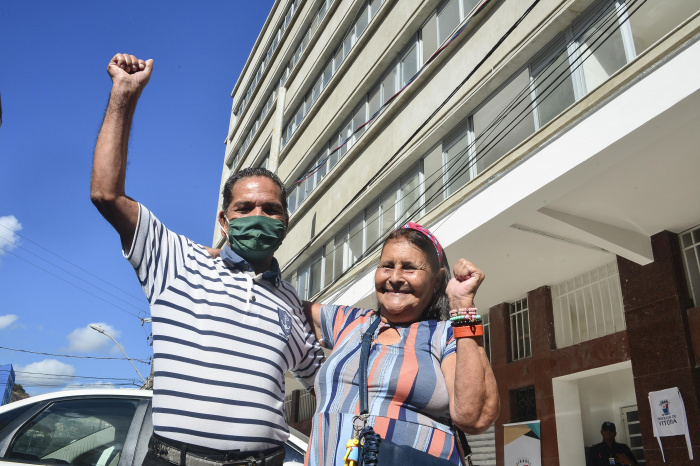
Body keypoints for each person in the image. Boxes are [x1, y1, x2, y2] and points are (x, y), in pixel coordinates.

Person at [91, 53, 325, 466]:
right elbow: (107, 195)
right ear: (223, 220)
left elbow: (326, 384)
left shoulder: (291, 303)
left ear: (286, 222)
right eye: (245, 208)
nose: (258, 217)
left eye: (271, 210)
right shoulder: (176, 261)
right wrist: (123, 96)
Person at [303, 223, 500, 465]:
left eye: (409, 268)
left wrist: (462, 305)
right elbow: (283, 305)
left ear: (437, 281)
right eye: (387, 266)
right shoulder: (350, 323)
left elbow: (475, 417)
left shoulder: (446, 334)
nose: (395, 278)